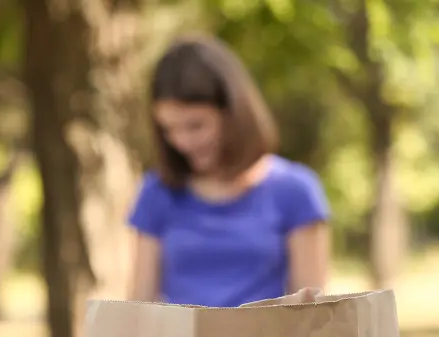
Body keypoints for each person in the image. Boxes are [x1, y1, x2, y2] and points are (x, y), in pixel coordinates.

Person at [128, 36, 331, 307]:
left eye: (196, 126)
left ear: (233, 113)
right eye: (169, 130)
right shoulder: (157, 192)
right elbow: (139, 306)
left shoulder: (295, 191)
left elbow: (311, 312)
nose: (182, 143)